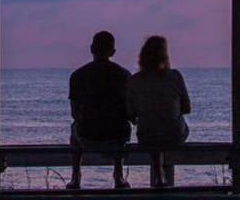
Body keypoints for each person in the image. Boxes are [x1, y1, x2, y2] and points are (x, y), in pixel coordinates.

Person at [67, 31, 131, 189]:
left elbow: (74, 113)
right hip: (117, 135)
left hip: (88, 135)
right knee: (123, 126)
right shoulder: (124, 75)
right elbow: (130, 111)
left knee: (74, 129)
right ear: (113, 52)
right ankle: (118, 175)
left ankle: (75, 176)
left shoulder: (77, 75)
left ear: (91, 49)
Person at [126, 35, 191, 188]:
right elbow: (187, 108)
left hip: (147, 136)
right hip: (175, 135)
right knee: (168, 127)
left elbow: (130, 115)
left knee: (152, 129)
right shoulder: (175, 76)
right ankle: (161, 173)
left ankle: (158, 171)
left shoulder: (134, 81)